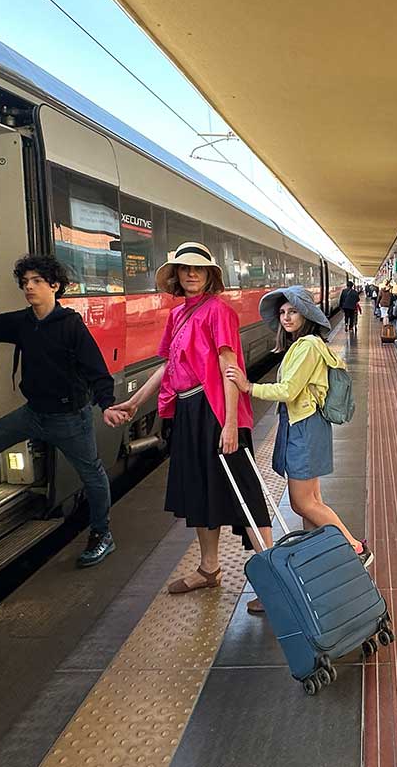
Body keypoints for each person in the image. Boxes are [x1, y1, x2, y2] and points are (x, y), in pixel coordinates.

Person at [106, 241, 273, 610]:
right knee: (200, 491)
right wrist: (134, 403)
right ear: (177, 277)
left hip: (215, 411)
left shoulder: (218, 312)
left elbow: (231, 369)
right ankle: (209, 569)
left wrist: (230, 424)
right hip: (187, 412)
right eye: (185, 269)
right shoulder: (179, 315)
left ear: (210, 275)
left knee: (243, 493)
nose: (192, 273)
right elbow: (167, 367)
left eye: (198, 268)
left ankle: (272, 580)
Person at [0, 254, 116, 568]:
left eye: (37, 281)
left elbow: (98, 373)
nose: (29, 287)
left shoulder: (71, 327)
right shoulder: (23, 322)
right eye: (25, 282)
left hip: (69, 420)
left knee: (92, 477)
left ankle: (102, 534)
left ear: (55, 286)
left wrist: (107, 405)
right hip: (34, 414)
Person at [224, 285, 372, 567]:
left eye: (293, 311)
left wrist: (248, 386)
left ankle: (354, 547)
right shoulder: (304, 346)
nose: (286, 317)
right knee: (312, 501)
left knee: (302, 503)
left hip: (304, 427)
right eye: (282, 313)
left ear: (306, 313)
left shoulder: (307, 346)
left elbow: (288, 390)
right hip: (306, 426)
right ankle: (319, 559)